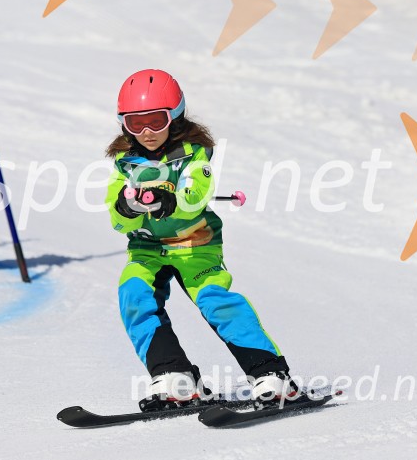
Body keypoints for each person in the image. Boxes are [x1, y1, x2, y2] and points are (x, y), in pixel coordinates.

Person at [104, 69, 297, 412]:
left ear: (175, 116)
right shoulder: (125, 163)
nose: (146, 132)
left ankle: (270, 373)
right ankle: (173, 375)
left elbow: (196, 194)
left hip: (195, 245)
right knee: (133, 295)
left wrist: (171, 200)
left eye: (156, 121)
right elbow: (117, 220)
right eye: (136, 123)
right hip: (148, 249)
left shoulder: (194, 155)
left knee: (215, 301)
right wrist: (125, 207)